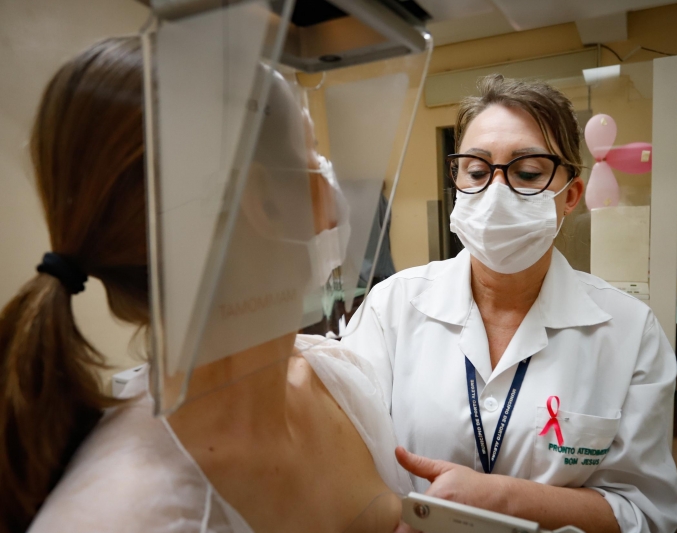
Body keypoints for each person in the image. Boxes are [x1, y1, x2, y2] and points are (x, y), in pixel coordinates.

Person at [0, 37, 410, 533]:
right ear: (264, 200)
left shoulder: (339, 380)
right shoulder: (118, 516)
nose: (331, 197)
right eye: (313, 155)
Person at [342, 74, 677, 533]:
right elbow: (345, 459)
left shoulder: (627, 331)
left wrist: (500, 498)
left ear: (571, 196)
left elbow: (644, 512)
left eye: (527, 173)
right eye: (477, 171)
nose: (496, 193)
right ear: (458, 182)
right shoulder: (392, 308)